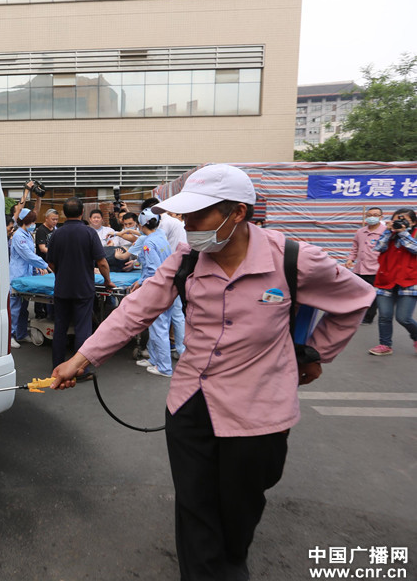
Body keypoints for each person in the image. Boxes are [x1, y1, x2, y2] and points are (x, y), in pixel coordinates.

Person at [49, 164, 374, 581]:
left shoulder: (291, 258)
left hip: (259, 414)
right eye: (183, 216)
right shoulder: (186, 259)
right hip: (190, 405)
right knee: (195, 506)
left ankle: (232, 559)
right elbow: (137, 309)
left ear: (237, 213)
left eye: (198, 216)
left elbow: (356, 298)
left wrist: (312, 353)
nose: (186, 225)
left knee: (240, 508)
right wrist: (81, 359)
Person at [46, 197, 115, 371]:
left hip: (62, 288)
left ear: (63, 213)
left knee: (60, 328)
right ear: (82, 212)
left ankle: (57, 366)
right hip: (83, 289)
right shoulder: (89, 233)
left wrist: (61, 274)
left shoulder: (56, 234)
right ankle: (80, 370)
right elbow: (102, 262)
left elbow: (51, 263)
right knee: (83, 328)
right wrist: (107, 281)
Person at [128, 208, 185, 377]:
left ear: (141, 224)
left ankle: (164, 367)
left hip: (158, 288)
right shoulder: (160, 236)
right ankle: (154, 359)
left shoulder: (149, 243)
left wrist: (140, 282)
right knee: (159, 325)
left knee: (158, 327)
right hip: (169, 284)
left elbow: (152, 271)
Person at [368, 208, 417, 356]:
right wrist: (389, 232)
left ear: (414, 222)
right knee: (384, 316)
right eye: (397, 220)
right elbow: (378, 247)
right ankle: (385, 345)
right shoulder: (389, 234)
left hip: (409, 280)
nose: (400, 223)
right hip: (386, 279)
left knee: (404, 317)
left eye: (405, 221)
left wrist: (403, 232)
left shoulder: (413, 234)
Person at [9, 208, 51, 349]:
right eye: (32, 221)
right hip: (17, 276)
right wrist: (46, 265)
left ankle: (21, 333)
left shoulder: (27, 234)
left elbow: (30, 258)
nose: (34, 223)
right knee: (14, 308)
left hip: (26, 276)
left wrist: (38, 269)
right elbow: (28, 255)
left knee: (23, 308)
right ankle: (11, 336)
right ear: (26, 221)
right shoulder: (18, 236)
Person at [344, 206, 385, 324]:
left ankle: (369, 317)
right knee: (357, 292)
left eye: (375, 215)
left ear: (381, 217)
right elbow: (355, 247)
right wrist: (350, 259)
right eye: (369, 215)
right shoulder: (360, 232)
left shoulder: (385, 232)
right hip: (359, 269)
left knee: (372, 294)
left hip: (376, 269)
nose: (372, 217)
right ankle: (356, 314)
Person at [34, 208, 59, 319]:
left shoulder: (55, 230)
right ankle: (39, 312)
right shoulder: (41, 230)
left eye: (56, 219)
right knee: (41, 290)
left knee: (50, 289)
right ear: (46, 218)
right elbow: (42, 248)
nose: (55, 221)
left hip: (53, 263)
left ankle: (49, 313)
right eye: (53, 219)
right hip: (43, 264)